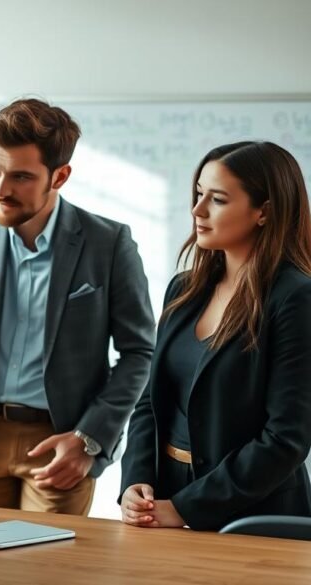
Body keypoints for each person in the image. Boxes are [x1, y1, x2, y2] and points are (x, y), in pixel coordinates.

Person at [0, 98, 155, 514]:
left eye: (21, 177)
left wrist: (89, 440)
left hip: (59, 440)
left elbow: (139, 353)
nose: (0, 189)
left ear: (60, 176)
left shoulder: (108, 243)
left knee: (46, 572)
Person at [120, 141, 311, 531]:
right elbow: (150, 402)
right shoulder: (184, 289)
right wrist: (136, 483)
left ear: (264, 212)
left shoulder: (295, 298)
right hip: (163, 502)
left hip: (255, 515)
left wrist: (188, 508)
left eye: (218, 199)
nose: (197, 210)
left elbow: (286, 438)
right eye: (198, 194)